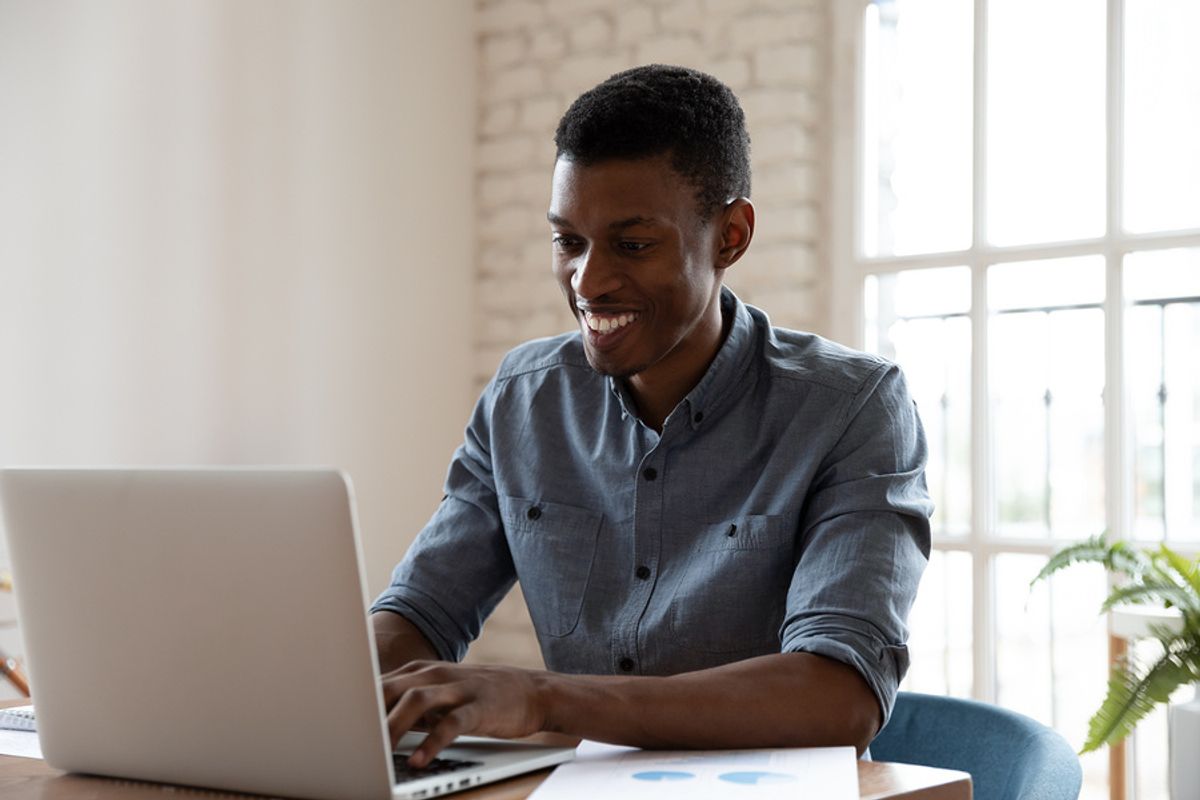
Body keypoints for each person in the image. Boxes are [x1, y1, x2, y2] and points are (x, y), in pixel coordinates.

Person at [370, 64, 931, 768]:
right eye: (568, 241)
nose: (588, 281)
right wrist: (335, 692)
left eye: (632, 245)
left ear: (730, 235)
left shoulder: (852, 409)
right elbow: (422, 611)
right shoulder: (525, 398)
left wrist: (544, 698)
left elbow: (839, 696)